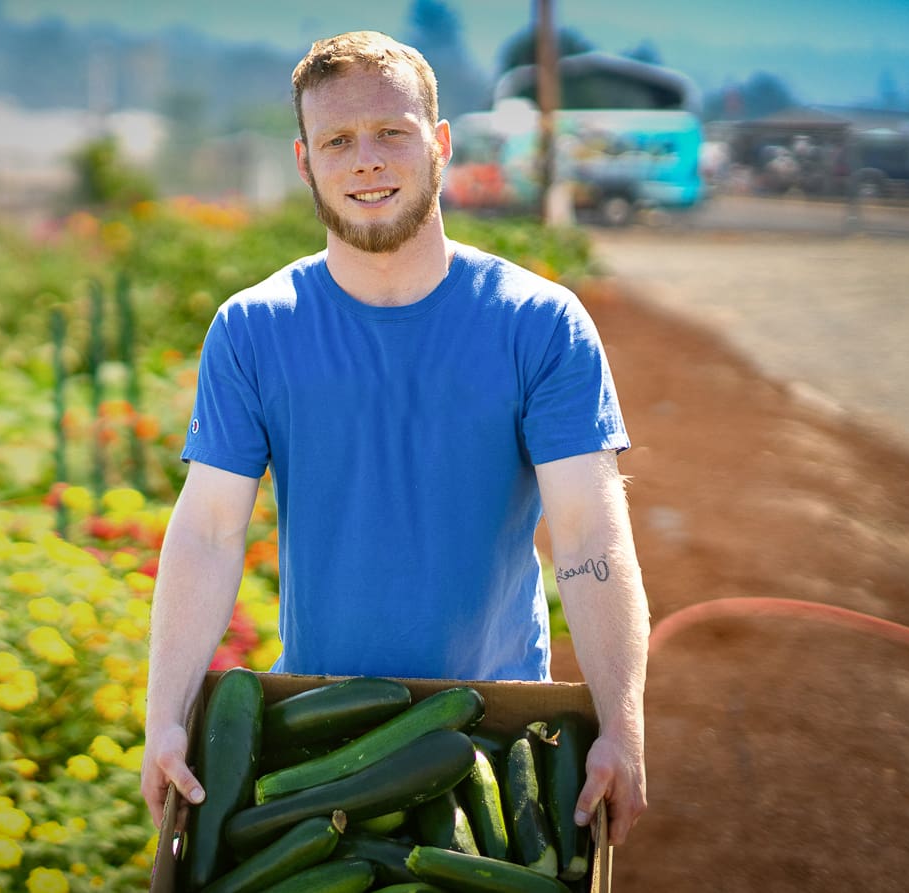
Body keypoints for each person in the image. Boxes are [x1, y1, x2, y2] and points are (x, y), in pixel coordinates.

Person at [138, 31, 650, 847]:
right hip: (322, 736)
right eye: (338, 140)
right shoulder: (254, 330)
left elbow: (590, 535)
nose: (365, 160)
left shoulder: (539, 324)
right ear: (306, 163)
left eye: (391, 132)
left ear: (439, 144)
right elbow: (206, 530)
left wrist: (621, 723)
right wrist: (164, 717)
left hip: (498, 742)